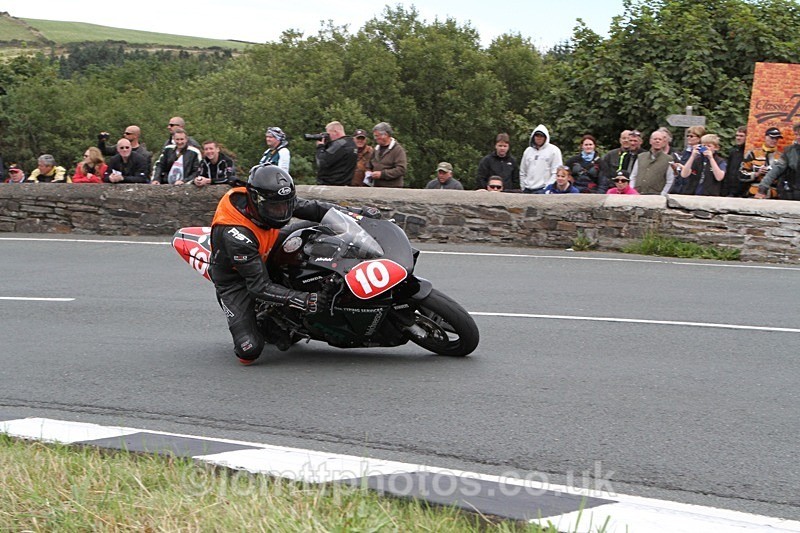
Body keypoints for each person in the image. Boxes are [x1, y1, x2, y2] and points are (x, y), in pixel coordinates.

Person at [209, 164, 378, 364]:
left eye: (286, 205)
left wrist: (357, 214)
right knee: (249, 351)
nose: (282, 212)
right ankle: (269, 324)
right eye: (275, 207)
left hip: (267, 243)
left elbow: (316, 209)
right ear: (257, 202)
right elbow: (258, 286)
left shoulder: (272, 197)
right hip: (236, 279)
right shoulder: (235, 235)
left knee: (321, 227)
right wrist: (305, 300)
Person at [756, 122, 800, 200]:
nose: (798, 137)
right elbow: (776, 169)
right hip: (794, 193)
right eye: (796, 134)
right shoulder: (789, 151)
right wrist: (762, 188)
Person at [740, 127, 783, 198]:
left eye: (777, 139)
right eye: (772, 138)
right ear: (765, 137)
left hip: (774, 195)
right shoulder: (752, 153)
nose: (774, 140)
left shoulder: (781, 156)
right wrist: (757, 173)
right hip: (754, 193)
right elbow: (741, 174)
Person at [519, 124, 562, 193]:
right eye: (537, 135)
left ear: (545, 137)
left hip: (542, 189)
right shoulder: (528, 151)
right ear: (533, 136)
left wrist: (547, 189)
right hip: (527, 189)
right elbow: (523, 171)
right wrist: (523, 187)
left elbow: (556, 172)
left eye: (541, 136)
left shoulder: (554, 150)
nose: (539, 138)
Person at [630, 130, 674, 195]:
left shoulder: (668, 159)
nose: (657, 141)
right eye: (655, 139)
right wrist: (632, 191)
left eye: (660, 139)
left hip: (656, 196)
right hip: (638, 194)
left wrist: (663, 194)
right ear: (650, 141)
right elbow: (633, 176)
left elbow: (670, 180)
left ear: (663, 142)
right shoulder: (641, 157)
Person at [315, 121, 357, 186]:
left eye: (328, 134)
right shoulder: (352, 143)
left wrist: (320, 146)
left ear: (335, 131)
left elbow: (321, 162)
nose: (327, 136)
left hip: (331, 185)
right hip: (345, 183)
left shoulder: (339, 144)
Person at [367, 122, 407, 188]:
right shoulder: (376, 149)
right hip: (376, 188)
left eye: (377, 136)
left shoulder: (398, 150)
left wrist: (382, 174)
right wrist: (368, 171)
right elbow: (369, 164)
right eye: (375, 136)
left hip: (392, 189)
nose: (375, 138)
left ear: (385, 135)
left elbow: (401, 169)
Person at [669, 125, 706, 194]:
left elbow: (696, 172)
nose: (688, 138)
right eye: (687, 136)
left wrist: (682, 167)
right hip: (679, 186)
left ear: (699, 138)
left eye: (691, 136)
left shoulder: (702, 152)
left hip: (692, 188)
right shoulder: (687, 151)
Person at [722, 126, 747, 197]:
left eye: (741, 136)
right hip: (730, 190)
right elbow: (728, 171)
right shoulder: (733, 152)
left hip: (743, 191)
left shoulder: (749, 153)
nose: (738, 138)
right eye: (737, 136)